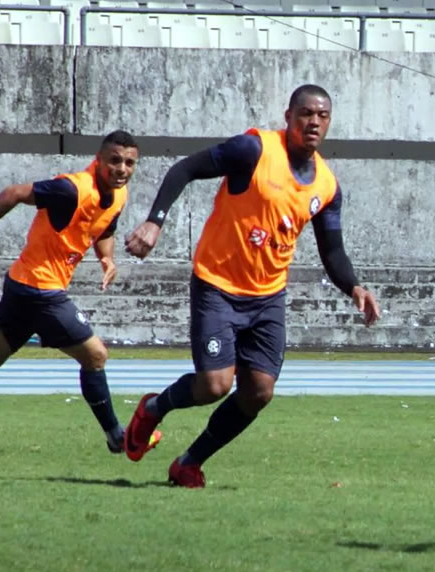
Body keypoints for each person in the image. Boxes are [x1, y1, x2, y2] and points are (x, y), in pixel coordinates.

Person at [122, 84, 381, 488]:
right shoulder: (254, 150)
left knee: (258, 392)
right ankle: (154, 408)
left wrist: (355, 288)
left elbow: (333, 252)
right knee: (215, 384)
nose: (313, 122)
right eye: (305, 113)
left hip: (267, 298)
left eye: (322, 115)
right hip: (218, 285)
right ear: (288, 116)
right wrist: (155, 221)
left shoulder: (327, 186)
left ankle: (188, 462)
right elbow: (185, 169)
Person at [0, 131, 140, 453]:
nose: (121, 168)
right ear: (99, 160)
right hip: (40, 290)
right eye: (114, 160)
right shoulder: (71, 188)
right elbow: (13, 193)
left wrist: (106, 257)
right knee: (95, 355)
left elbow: (104, 226)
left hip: (24, 285)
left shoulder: (118, 194)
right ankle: (116, 436)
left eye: (129, 162)